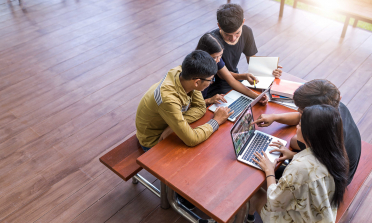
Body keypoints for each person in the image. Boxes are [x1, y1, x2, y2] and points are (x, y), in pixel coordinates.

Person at [247, 104, 349, 223]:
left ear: (310, 134)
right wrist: (293, 155)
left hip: (295, 219)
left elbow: (274, 202)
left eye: (300, 125)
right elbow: (314, 168)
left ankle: (249, 218)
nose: (296, 126)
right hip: (321, 214)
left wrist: (269, 171)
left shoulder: (300, 167)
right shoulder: (336, 154)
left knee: (254, 191)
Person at [253, 79, 361, 185]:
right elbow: (300, 117)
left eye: (301, 110)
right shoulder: (334, 107)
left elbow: (294, 141)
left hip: (331, 181)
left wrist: (271, 171)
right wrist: (274, 117)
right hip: (330, 165)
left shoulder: (325, 133)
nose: (299, 113)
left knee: (266, 172)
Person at [135, 50, 233, 151]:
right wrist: (216, 121)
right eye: (211, 79)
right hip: (154, 140)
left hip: (167, 124)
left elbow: (200, 107)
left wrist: (173, 126)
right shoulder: (168, 99)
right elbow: (192, 139)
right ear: (197, 82)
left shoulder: (184, 73)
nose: (211, 82)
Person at [208, 3, 282, 97]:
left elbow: (251, 60)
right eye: (228, 35)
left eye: (237, 33)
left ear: (243, 22)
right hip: (216, 86)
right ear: (219, 26)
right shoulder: (213, 41)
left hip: (237, 79)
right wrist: (255, 96)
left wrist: (269, 68)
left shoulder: (246, 31)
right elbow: (223, 75)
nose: (233, 38)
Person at [195, 33, 268, 106]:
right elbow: (186, 106)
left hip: (204, 100)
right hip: (198, 104)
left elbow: (231, 79)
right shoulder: (194, 71)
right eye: (215, 57)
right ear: (204, 54)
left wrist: (256, 97)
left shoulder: (216, 59)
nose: (218, 61)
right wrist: (209, 100)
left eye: (220, 56)